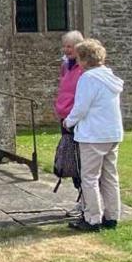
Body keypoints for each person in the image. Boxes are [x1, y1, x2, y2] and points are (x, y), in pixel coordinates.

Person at [63, 39, 124, 233]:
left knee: (89, 178)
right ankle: (112, 216)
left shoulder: (88, 78)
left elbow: (81, 108)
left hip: (93, 135)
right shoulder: (109, 76)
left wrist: (68, 122)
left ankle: (92, 218)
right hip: (112, 133)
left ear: (84, 59)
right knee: (110, 176)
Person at [54, 30, 85, 218]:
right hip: (65, 117)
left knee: (81, 163)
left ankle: (86, 203)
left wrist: (72, 116)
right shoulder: (66, 66)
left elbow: (81, 97)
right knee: (71, 161)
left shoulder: (84, 68)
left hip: (76, 119)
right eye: (65, 46)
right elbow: (64, 90)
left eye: (70, 47)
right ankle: (82, 200)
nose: (67, 50)